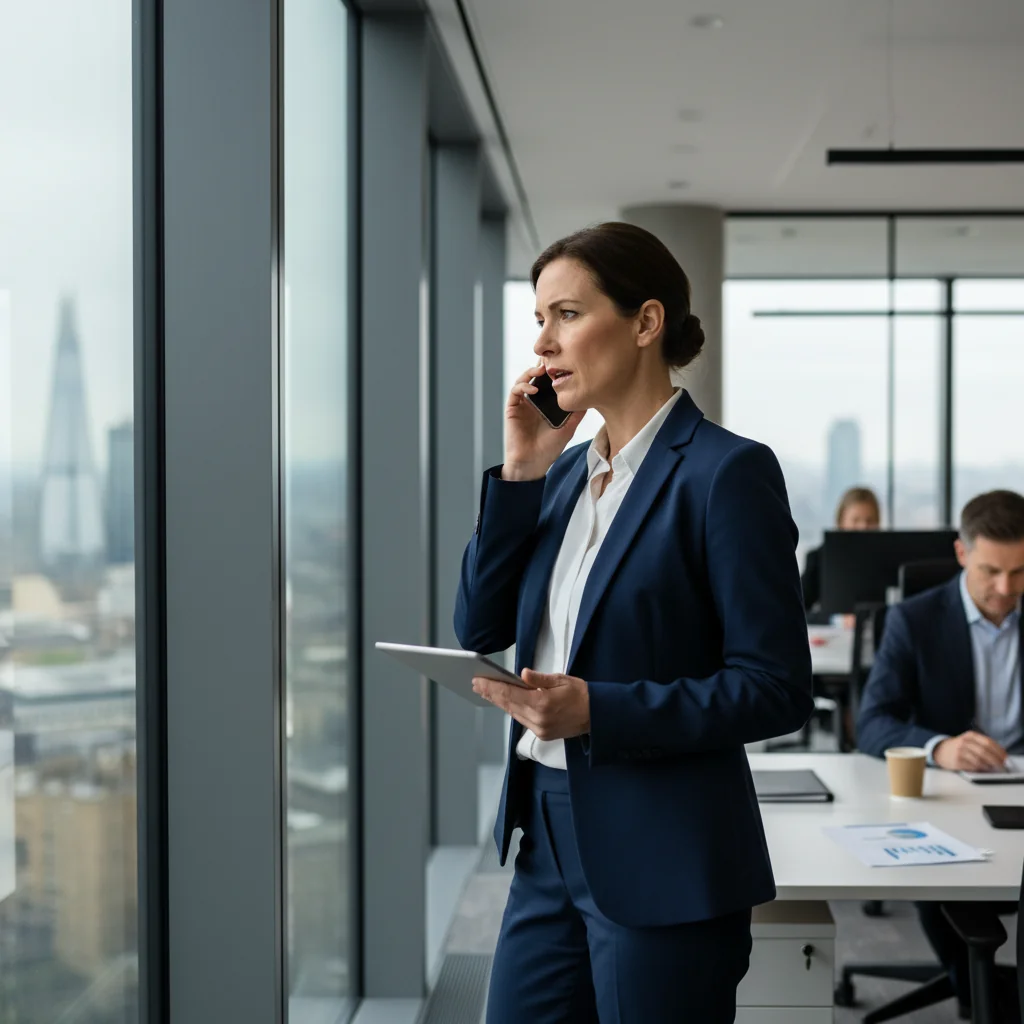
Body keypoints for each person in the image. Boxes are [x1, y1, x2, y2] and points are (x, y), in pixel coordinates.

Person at [454, 222, 813, 1023]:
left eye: (567, 314)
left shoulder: (727, 473)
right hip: (546, 829)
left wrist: (599, 710)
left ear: (646, 323)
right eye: (539, 320)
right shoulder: (561, 474)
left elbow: (776, 688)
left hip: (665, 846)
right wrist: (520, 471)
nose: (543, 343)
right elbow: (478, 623)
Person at [857, 489, 1024, 1013]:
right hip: (949, 799)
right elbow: (873, 723)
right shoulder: (914, 620)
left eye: (1020, 572)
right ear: (961, 554)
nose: (1005, 589)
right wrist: (940, 747)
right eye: (991, 571)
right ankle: (984, 997)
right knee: (943, 886)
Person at [801, 486, 881, 617]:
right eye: (856, 520)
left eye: (869, 520)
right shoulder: (819, 558)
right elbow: (799, 609)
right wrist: (837, 619)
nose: (863, 527)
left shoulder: (886, 558)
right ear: (841, 522)